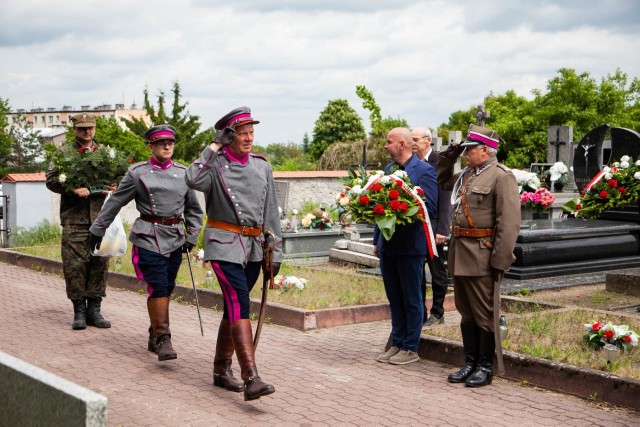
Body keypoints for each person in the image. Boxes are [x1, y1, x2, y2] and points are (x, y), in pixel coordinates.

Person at [186, 106, 281, 401]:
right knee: (240, 302)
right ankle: (250, 376)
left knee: (233, 307)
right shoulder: (214, 165)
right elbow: (191, 179)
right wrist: (214, 145)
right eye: (242, 133)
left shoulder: (261, 166)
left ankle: (220, 369)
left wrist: (275, 253)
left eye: (251, 132)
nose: (249, 138)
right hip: (223, 245)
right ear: (229, 136)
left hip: (254, 249)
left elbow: (270, 212)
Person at [89, 124, 203, 361]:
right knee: (159, 286)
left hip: (175, 238)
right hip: (148, 237)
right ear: (151, 146)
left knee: (168, 286)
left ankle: (154, 334)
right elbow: (116, 201)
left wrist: (191, 236)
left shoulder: (184, 173)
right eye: (161, 143)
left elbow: (194, 209)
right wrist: (98, 228)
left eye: (170, 142)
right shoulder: (137, 173)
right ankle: (164, 339)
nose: (167, 146)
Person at [437, 124, 520, 387]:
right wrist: (447, 157)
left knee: (484, 314)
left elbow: (509, 224)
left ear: (485, 150)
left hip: (482, 255)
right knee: (466, 312)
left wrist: (500, 259)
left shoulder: (501, 176)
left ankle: (486, 366)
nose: (465, 154)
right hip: (461, 252)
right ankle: (469, 362)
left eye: (468, 149)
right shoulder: (466, 175)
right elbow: (441, 181)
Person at [46, 112, 116, 331]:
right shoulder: (63, 153)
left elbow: (117, 175)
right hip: (75, 220)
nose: (87, 131)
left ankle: (94, 310)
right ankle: (79, 311)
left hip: (100, 219)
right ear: (75, 129)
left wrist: (114, 185)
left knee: (99, 264)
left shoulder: (105, 153)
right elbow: (51, 180)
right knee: (75, 266)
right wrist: (72, 189)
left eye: (91, 127)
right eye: (83, 128)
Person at [374, 127, 438, 365]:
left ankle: (411, 346)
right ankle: (398, 342)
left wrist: (402, 208)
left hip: (410, 244)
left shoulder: (424, 171)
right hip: (389, 245)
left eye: (388, 142)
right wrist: (376, 240)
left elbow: (429, 208)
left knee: (412, 298)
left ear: (402, 144)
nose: (385, 146)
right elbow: (378, 206)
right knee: (395, 297)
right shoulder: (390, 170)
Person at [411, 127, 452, 327]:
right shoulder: (411, 163)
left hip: (435, 228)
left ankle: (438, 313)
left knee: (437, 273)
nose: (413, 143)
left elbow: (446, 198)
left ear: (428, 141)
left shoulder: (441, 163)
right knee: (417, 273)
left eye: (416, 139)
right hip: (416, 228)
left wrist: (443, 229)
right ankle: (421, 312)